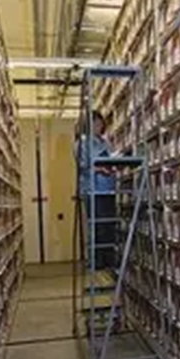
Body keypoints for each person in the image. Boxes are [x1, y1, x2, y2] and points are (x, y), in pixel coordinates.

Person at [75, 111, 118, 271]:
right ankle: (96, 260)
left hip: (108, 188)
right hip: (92, 188)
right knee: (97, 225)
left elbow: (111, 158)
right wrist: (101, 168)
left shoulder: (105, 142)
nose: (99, 126)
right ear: (88, 124)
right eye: (96, 123)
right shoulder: (82, 143)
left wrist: (113, 165)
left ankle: (109, 258)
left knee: (108, 224)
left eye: (101, 123)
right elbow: (83, 165)